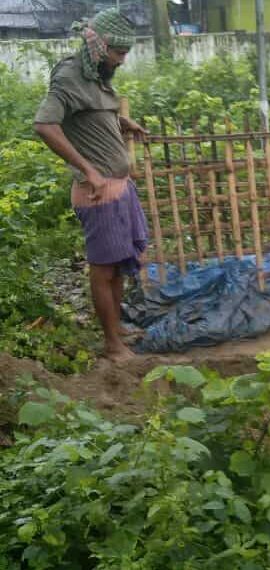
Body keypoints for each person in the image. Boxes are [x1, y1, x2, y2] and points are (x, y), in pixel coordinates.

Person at [34, 9, 149, 362]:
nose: (122, 59)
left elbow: (95, 112)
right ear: (98, 47)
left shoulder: (96, 75)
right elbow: (45, 125)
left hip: (118, 189)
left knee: (117, 265)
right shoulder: (69, 76)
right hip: (98, 194)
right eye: (118, 52)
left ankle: (118, 329)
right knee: (103, 269)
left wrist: (122, 121)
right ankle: (112, 345)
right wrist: (87, 169)